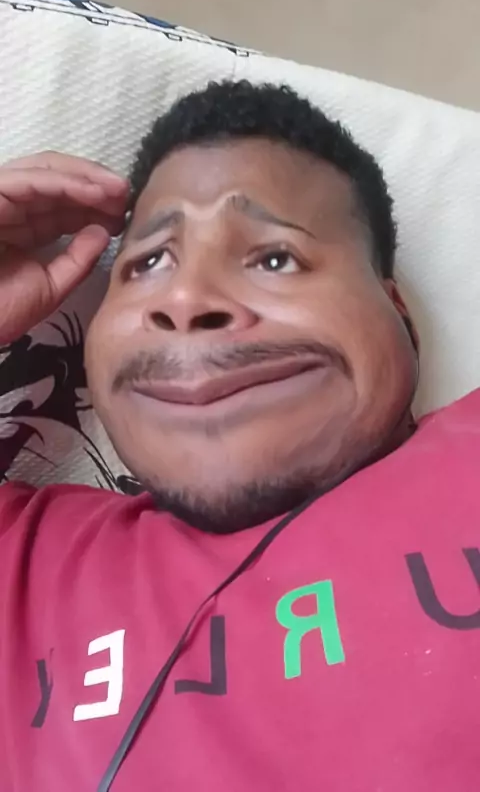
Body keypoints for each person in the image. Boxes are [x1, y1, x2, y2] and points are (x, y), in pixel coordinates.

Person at [0, 80, 478, 792]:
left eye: (275, 258)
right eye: (147, 263)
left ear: (398, 314)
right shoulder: (25, 565)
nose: (186, 301)